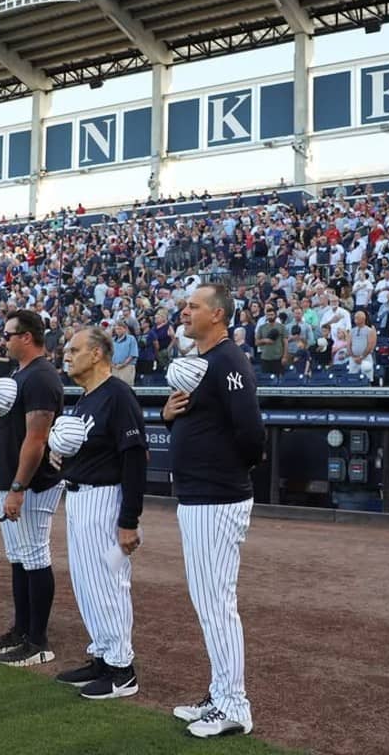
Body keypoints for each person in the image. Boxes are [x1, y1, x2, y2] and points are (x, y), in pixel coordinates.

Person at [162, 283, 266, 738]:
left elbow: (252, 435)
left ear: (218, 315)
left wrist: (226, 474)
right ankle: (219, 692)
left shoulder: (228, 361)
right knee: (208, 603)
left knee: (216, 605)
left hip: (216, 497)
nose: (185, 311)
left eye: (194, 306)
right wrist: (168, 415)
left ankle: (234, 705)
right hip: (199, 495)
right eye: (185, 305)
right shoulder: (202, 363)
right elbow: (197, 419)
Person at [52, 326, 147, 700]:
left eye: (74, 349)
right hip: (79, 499)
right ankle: (103, 656)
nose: (67, 355)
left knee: (109, 584)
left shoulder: (118, 396)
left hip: (107, 502)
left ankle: (122, 671)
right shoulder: (86, 398)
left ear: (97, 354)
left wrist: (129, 520)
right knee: (87, 584)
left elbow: (135, 458)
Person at [0, 310, 65, 667]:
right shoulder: (23, 374)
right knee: (18, 559)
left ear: (27, 336)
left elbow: (37, 438)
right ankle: (22, 629)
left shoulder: (42, 376)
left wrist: (18, 486)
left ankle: (38, 641)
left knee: (34, 556)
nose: (5, 339)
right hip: (13, 479)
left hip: (32, 483)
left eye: (9, 333)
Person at [346, 311, 377, 383]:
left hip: (365, 358)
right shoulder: (352, 331)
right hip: (353, 359)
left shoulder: (369, 330)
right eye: (355, 318)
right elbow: (348, 344)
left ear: (363, 319)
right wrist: (353, 356)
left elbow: (370, 345)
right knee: (352, 378)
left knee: (368, 378)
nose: (355, 319)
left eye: (357, 318)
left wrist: (361, 357)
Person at [111, 321, 138, 386]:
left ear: (125, 329)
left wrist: (123, 364)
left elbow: (133, 355)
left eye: (120, 328)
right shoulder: (112, 340)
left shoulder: (131, 339)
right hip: (114, 367)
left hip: (127, 367)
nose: (118, 330)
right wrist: (112, 364)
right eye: (116, 329)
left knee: (126, 388)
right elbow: (109, 354)